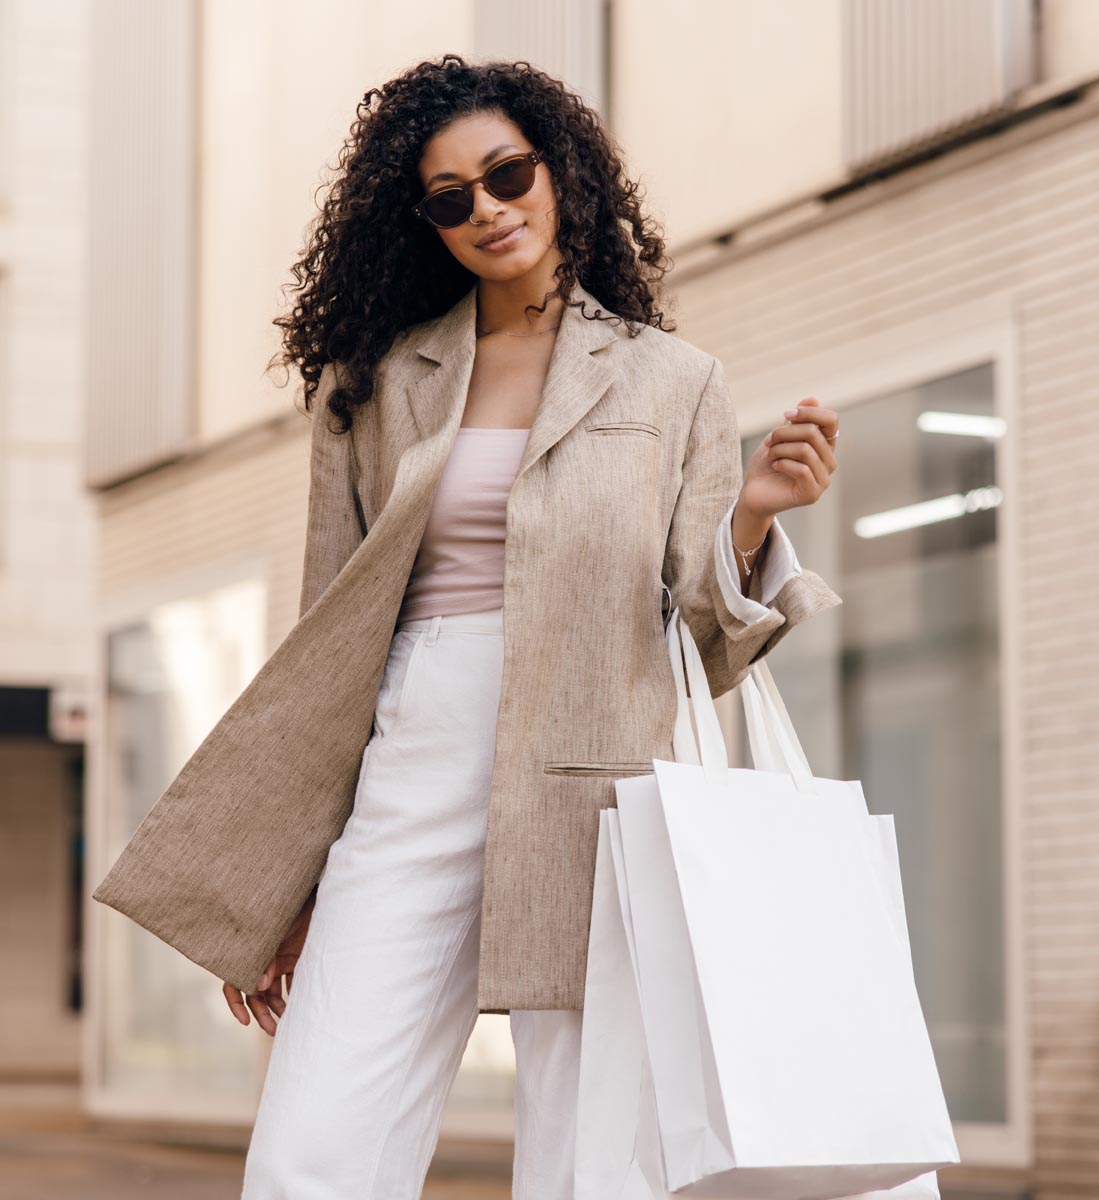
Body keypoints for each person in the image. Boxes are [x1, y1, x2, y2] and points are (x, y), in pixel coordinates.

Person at [226, 53, 840, 1199]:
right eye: (451, 197)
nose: (488, 211)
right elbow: (323, 648)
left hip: (599, 768)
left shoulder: (676, 383)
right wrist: (289, 880)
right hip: (411, 756)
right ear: (423, 222)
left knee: (593, 1152)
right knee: (316, 1139)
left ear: (560, 173)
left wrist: (754, 515)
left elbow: (705, 638)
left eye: (506, 175)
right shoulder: (371, 384)